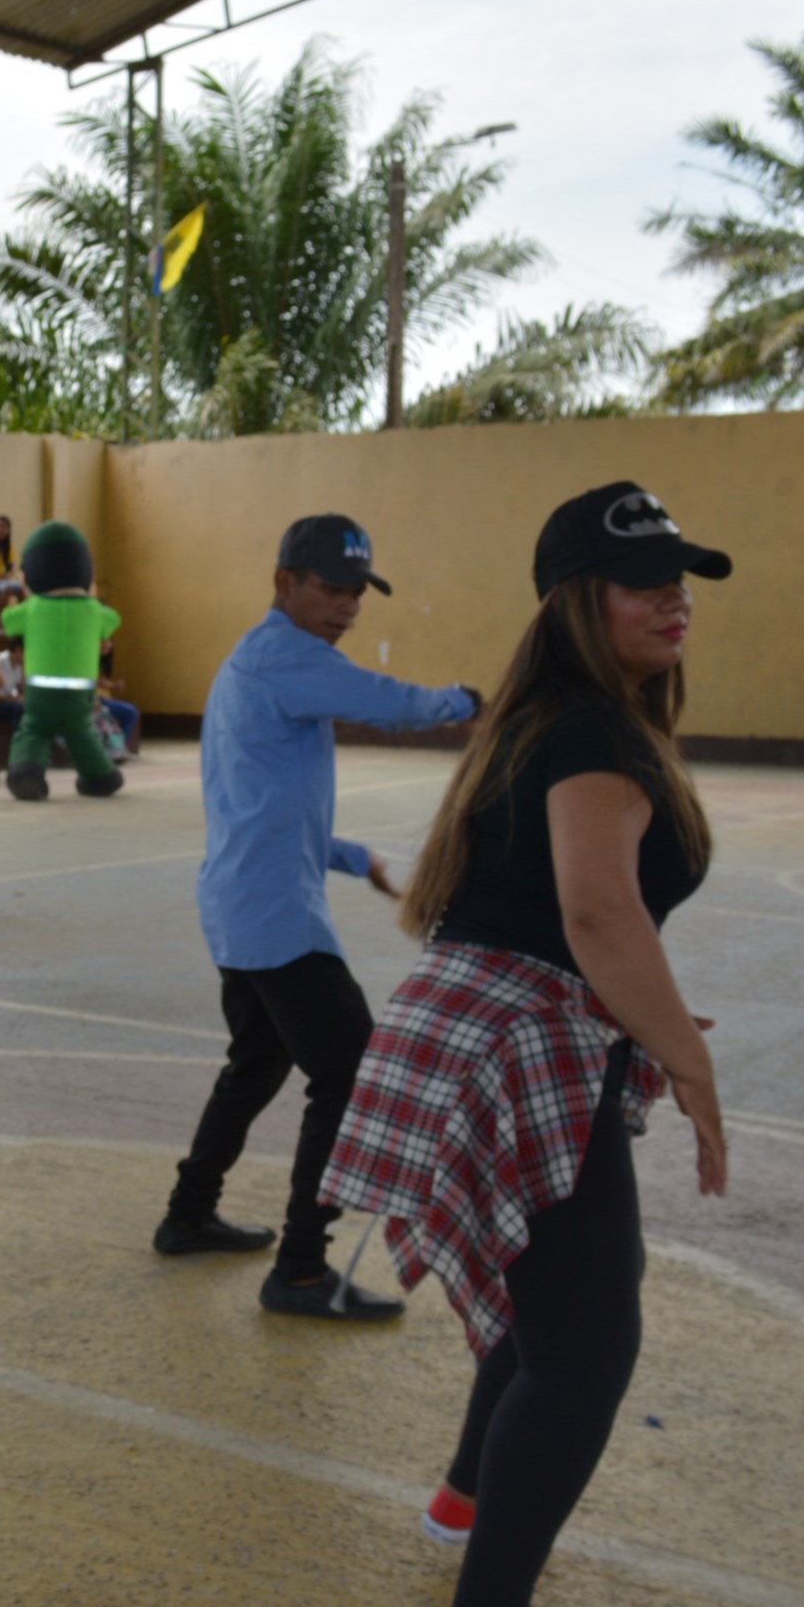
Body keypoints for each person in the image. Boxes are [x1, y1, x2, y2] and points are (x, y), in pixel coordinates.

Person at [325, 481, 733, 1607]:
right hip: (519, 1041)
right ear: (578, 602)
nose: (674, 597)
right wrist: (694, 1069)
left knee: (539, 1305)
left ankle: (465, 1502)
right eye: (644, 579)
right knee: (587, 1342)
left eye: (681, 576)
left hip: (492, 1023)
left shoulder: (543, 719)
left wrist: (643, 1020)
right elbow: (596, 910)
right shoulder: (593, 734)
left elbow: (572, 926)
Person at [164, 513, 482, 1321]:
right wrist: (473, 702)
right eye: (331, 589)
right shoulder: (288, 657)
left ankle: (189, 1212)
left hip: (241, 901)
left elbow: (260, 800)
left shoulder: (254, 662)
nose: (346, 606)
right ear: (285, 584)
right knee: (348, 1074)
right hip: (274, 916)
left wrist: (348, 857)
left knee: (258, 1065)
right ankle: (301, 1269)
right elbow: (389, 702)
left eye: (356, 593)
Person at [0, 520, 122, 802]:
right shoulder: (94, 610)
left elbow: (7, 621)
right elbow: (113, 620)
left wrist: (19, 593)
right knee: (80, 731)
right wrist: (92, 595)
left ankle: (27, 771)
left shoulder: (33, 608)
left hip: (42, 688)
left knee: (34, 728)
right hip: (81, 689)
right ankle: (101, 776)